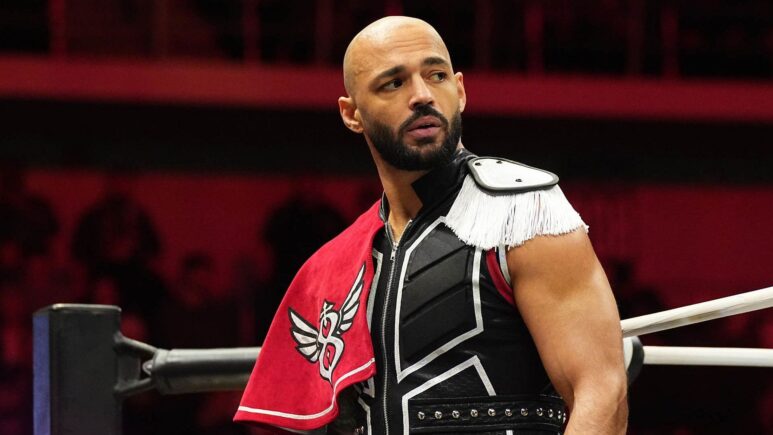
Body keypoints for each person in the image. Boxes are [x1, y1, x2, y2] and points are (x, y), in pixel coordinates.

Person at [236, 16, 627, 435]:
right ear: (352, 114)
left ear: (460, 91)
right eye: (393, 83)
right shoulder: (333, 266)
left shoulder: (523, 212)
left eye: (436, 75)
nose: (422, 96)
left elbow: (602, 393)